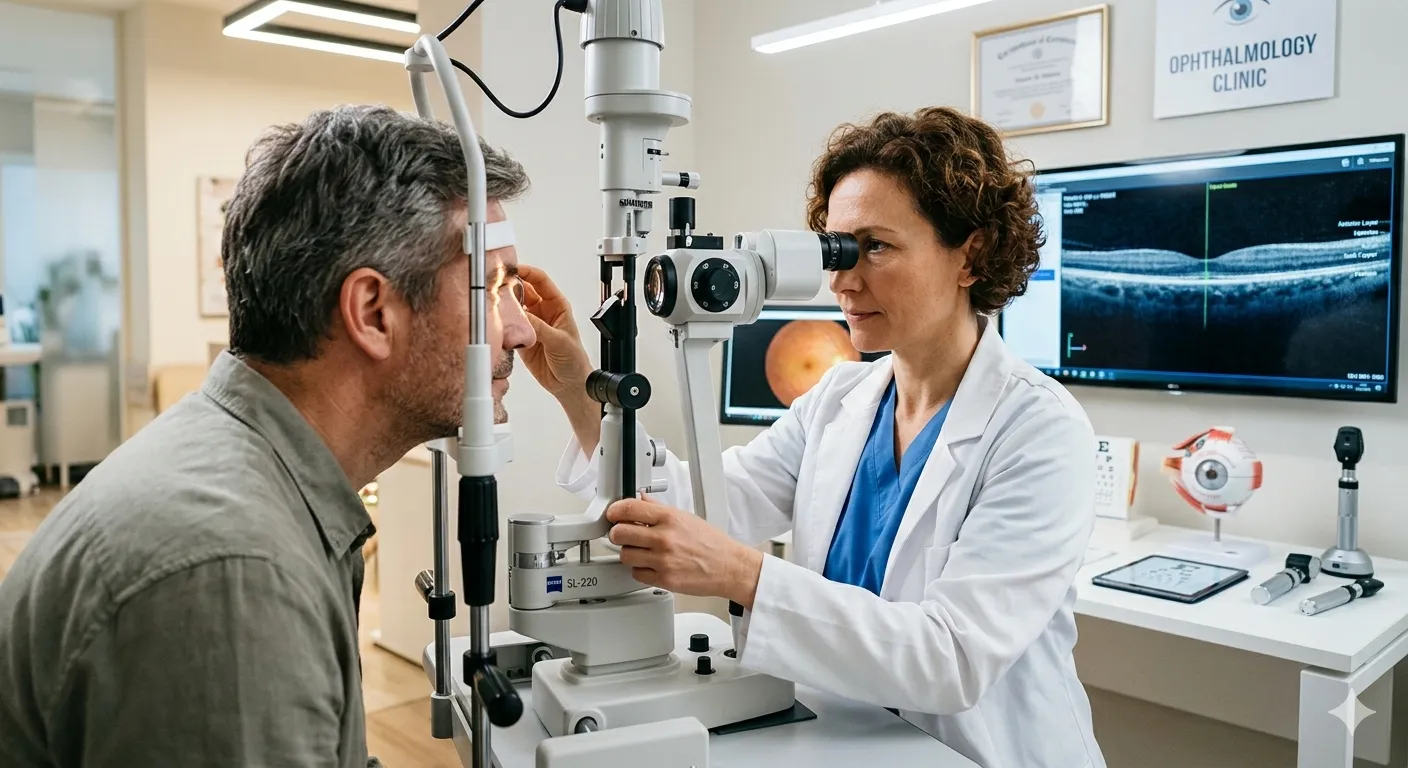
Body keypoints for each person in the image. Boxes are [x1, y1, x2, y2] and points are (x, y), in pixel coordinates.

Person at [519, 106, 1106, 768]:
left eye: (874, 248)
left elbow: (952, 659)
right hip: (847, 740)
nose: (842, 280)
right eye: (835, 247)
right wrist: (577, 389)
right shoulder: (839, 400)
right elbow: (705, 505)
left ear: (970, 254)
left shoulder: (1038, 430)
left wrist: (743, 574)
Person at [0, 104, 538, 767]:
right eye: (496, 289)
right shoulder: (233, 573)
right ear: (374, 312)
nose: (522, 330)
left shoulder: (260, 482)